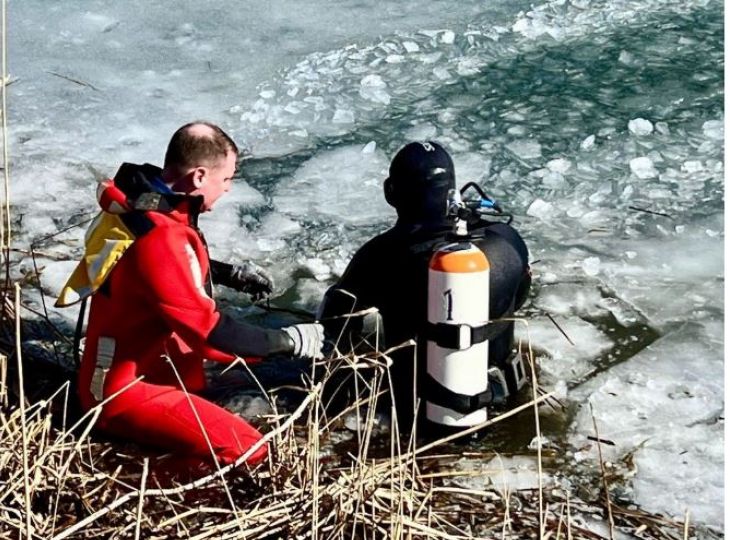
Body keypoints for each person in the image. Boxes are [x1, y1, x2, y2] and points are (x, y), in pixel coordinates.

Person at [56, 122, 325, 470]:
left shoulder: (140, 209)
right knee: (250, 451)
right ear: (199, 176)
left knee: (227, 382)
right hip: (123, 393)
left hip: (125, 367)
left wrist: (229, 275)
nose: (227, 189)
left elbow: (158, 273)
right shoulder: (161, 239)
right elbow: (209, 333)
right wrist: (291, 340)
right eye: (226, 179)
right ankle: (168, 494)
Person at [318, 140, 531, 433]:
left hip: (423, 419)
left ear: (390, 193)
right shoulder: (507, 237)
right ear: (452, 190)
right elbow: (519, 298)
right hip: (504, 404)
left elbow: (334, 327)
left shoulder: (380, 256)